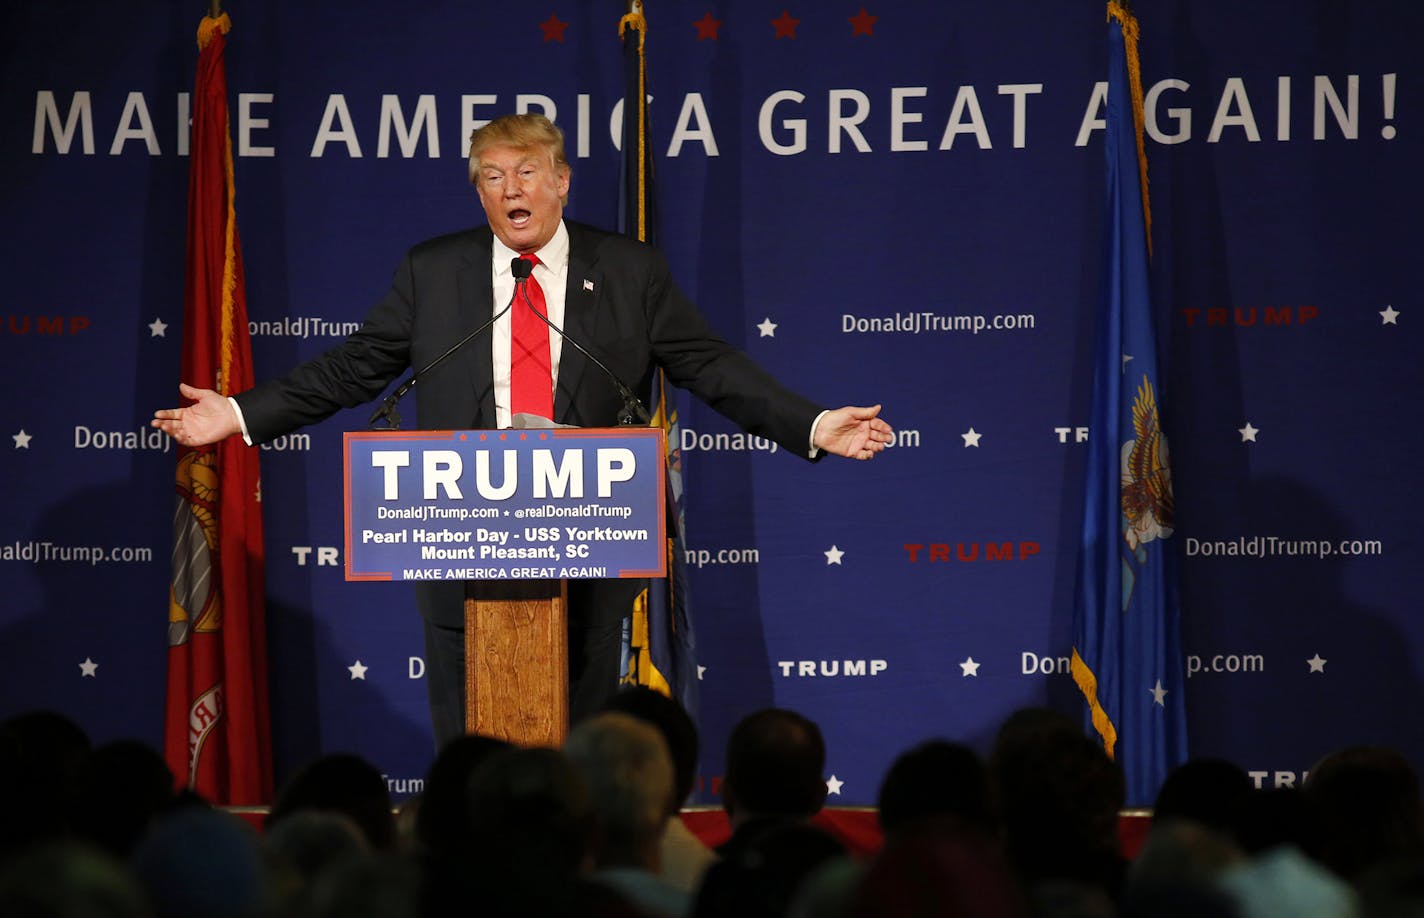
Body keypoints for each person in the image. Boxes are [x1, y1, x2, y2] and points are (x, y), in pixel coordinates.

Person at [151, 113, 894, 747]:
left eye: (528, 172)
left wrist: (815, 423)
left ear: (562, 181)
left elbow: (708, 365)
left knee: (584, 732)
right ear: (477, 191)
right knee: (470, 738)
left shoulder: (630, 271)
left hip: (590, 534)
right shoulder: (433, 272)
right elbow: (354, 369)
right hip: (461, 537)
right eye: (493, 176)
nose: (512, 190)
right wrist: (240, 412)